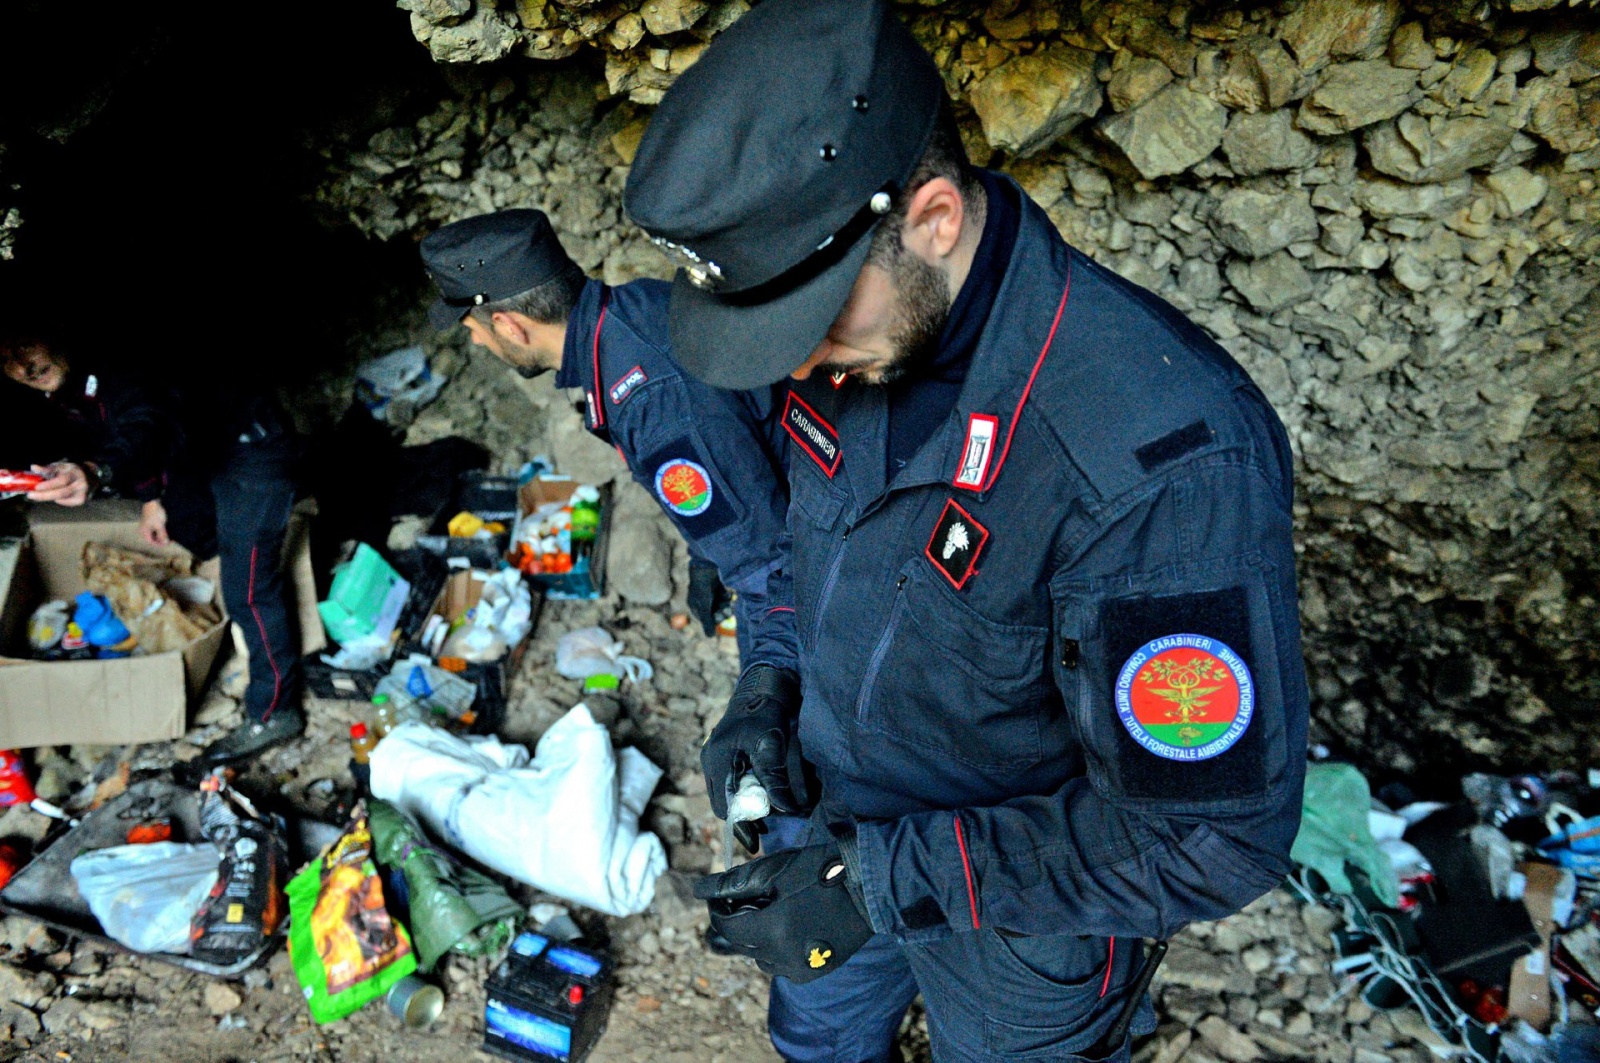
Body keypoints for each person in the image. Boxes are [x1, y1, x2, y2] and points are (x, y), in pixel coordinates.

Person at [623, 2, 1310, 1060]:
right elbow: (816, 564)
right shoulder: (856, 347)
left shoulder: (1152, 461)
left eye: (808, 324)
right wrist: (770, 684)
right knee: (816, 1040)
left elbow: (1211, 839)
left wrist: (892, 882)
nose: (794, 367)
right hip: (836, 835)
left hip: (1019, 929)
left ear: (934, 218)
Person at [418, 210, 812, 836]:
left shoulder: (645, 393)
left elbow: (776, 569)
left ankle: (803, 882)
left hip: (817, 559)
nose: (474, 343)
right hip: (791, 522)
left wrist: (765, 692)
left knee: (784, 772)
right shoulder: (631, 313)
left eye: (472, 328)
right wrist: (709, 555)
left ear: (511, 324)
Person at [1, 336, 305, 762]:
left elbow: (146, 423)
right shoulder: (61, 393)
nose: (24, 365)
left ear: (51, 335)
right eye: (7, 360)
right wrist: (149, 500)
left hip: (251, 447)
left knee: (249, 589)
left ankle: (275, 713)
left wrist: (97, 471)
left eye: (25, 347)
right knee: (190, 529)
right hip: (200, 452)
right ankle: (236, 598)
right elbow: (126, 436)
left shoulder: (116, 361)